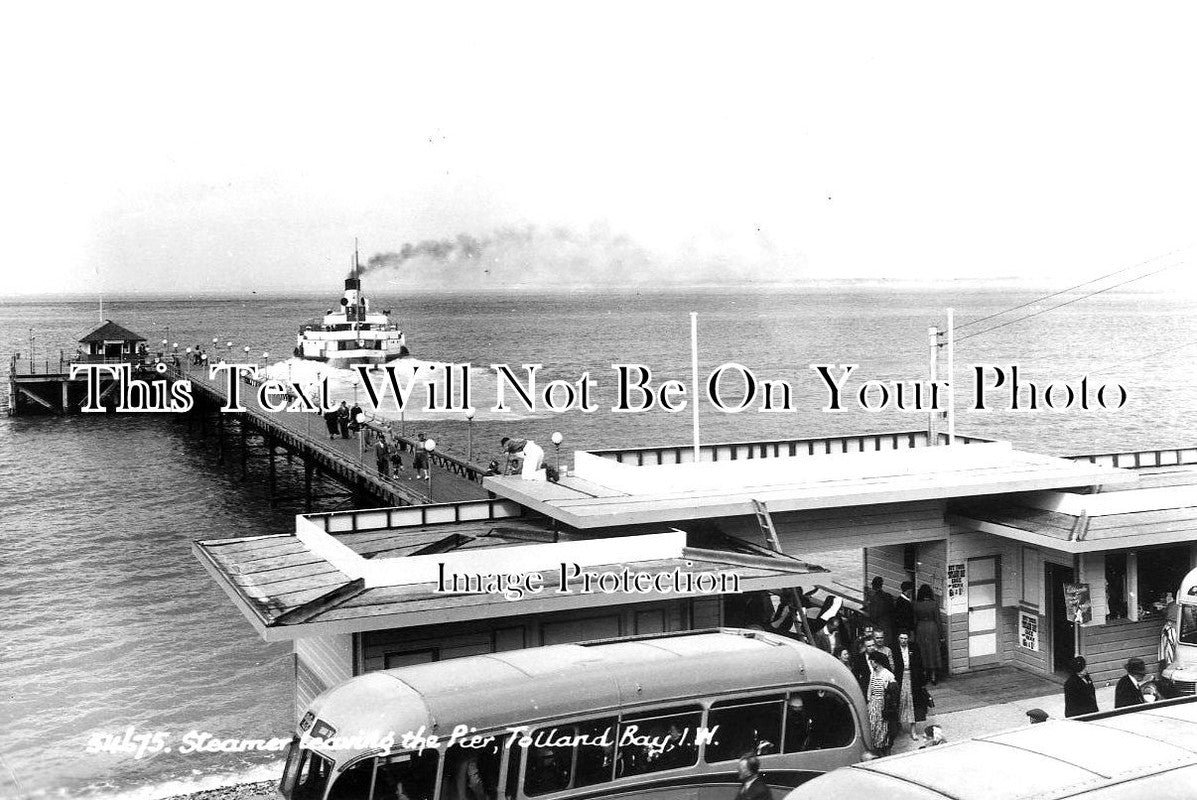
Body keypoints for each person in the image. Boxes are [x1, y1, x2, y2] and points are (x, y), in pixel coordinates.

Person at [893, 631, 926, 739]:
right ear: (898, 638)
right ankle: (900, 727)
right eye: (901, 638)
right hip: (900, 678)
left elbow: (919, 663)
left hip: (912, 678)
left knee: (912, 704)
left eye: (905, 638)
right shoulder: (893, 649)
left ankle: (913, 730)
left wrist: (920, 679)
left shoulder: (914, 647)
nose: (903, 641)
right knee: (900, 702)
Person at [866, 650, 898, 755]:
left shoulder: (887, 674)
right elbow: (870, 688)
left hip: (883, 704)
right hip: (873, 704)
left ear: (877, 662)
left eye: (872, 661)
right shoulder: (873, 674)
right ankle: (876, 749)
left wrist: (887, 688)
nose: (871, 663)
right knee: (873, 726)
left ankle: (884, 748)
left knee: (883, 728)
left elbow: (894, 690)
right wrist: (869, 700)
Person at [914, 583, 944, 685]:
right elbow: (938, 620)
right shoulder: (934, 604)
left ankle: (926, 674)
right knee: (933, 651)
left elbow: (915, 620)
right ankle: (933, 676)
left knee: (923, 652)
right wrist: (941, 635)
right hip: (932, 628)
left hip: (921, 628)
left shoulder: (916, 604)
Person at [866, 577, 896, 648]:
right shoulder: (888, 596)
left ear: (873, 586)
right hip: (888, 626)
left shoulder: (874, 598)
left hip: (878, 626)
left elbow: (873, 615)